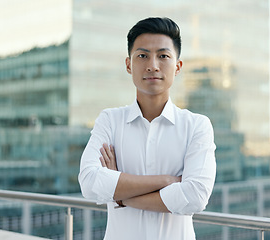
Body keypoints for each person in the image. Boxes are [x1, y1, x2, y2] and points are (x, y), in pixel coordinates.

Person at [78, 17, 216, 240]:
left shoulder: (196, 126)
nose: (153, 65)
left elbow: (195, 197)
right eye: (142, 56)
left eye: (163, 56)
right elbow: (90, 183)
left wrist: (121, 195)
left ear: (178, 66)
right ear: (129, 64)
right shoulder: (110, 120)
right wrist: (167, 181)